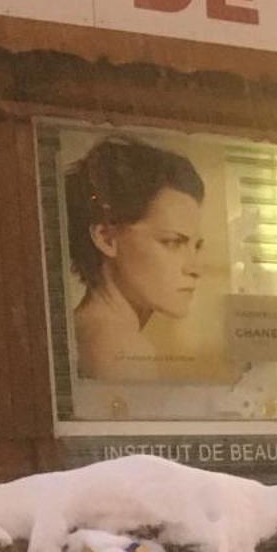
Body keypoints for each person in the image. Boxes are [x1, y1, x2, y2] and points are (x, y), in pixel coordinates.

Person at [65, 136, 207, 381]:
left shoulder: (84, 330)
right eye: (172, 242)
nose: (195, 268)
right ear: (107, 238)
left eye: (197, 246)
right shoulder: (120, 348)